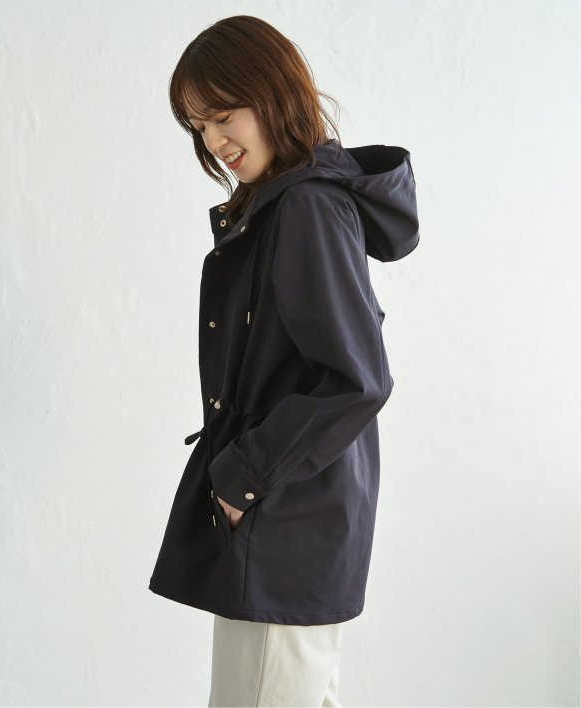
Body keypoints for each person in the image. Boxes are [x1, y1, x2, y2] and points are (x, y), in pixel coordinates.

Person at [148, 14, 420, 708]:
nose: (213, 141)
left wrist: (240, 479)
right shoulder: (285, 205)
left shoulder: (305, 208)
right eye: (198, 126)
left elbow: (356, 380)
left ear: (274, 94)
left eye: (223, 115)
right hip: (292, 518)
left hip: (285, 522)